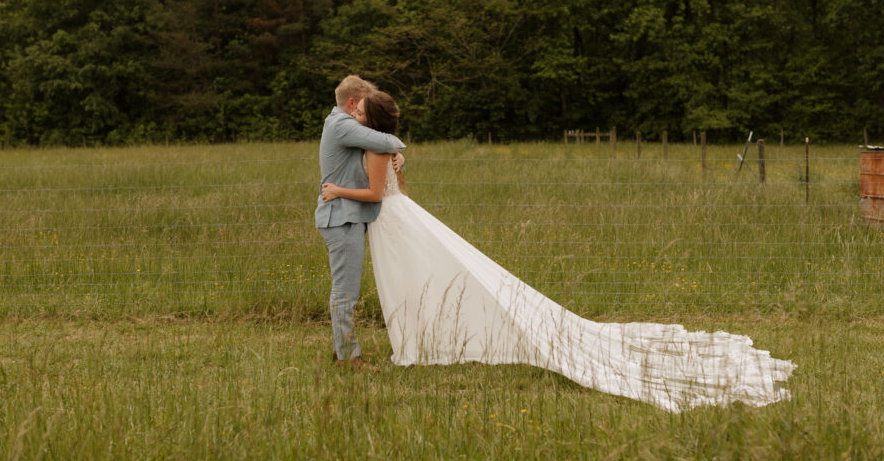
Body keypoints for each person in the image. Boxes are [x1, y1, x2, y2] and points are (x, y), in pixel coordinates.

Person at [321, 91, 796, 412]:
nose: (353, 114)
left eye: (360, 110)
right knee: (419, 279)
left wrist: (335, 188)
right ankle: (415, 338)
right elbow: (388, 177)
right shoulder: (371, 141)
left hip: (393, 222)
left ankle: (417, 342)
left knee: (434, 275)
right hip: (389, 224)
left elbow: (380, 188)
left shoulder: (377, 146)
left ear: (367, 118)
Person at [316, 76, 405, 370]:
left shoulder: (342, 125)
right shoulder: (341, 124)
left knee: (345, 289)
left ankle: (341, 349)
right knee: (345, 291)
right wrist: (397, 147)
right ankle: (348, 357)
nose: (359, 115)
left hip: (347, 215)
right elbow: (384, 139)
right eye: (360, 108)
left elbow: (378, 147)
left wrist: (397, 157)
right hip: (341, 216)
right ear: (352, 102)